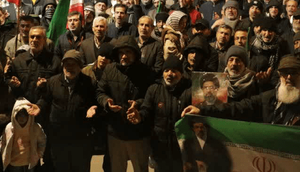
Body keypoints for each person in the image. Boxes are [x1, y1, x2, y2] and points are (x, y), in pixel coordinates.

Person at [182, 55, 300, 141]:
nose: (288, 77)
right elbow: (235, 108)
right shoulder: (266, 99)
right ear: (279, 75)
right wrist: (202, 109)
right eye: (284, 73)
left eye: (294, 73)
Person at [96, 36, 154, 172]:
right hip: (116, 133)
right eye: (121, 52)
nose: (124, 56)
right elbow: (100, 92)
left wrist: (138, 103)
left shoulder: (145, 71)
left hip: (138, 133)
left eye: (128, 52)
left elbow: (151, 96)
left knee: (140, 168)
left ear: (135, 53)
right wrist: (106, 102)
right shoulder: (110, 69)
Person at [127, 56, 191, 172]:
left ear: (181, 74)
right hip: (160, 147)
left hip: (183, 148)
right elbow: (146, 110)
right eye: (166, 70)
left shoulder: (189, 91)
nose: (169, 74)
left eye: (174, 71)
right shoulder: (154, 89)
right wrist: (139, 116)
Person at [38, 50, 97, 172]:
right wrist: (38, 106)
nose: (70, 67)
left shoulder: (89, 83)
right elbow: (45, 100)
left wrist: (93, 109)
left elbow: (95, 102)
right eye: (67, 64)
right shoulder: (53, 82)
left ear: (80, 66)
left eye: (73, 64)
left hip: (80, 137)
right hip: (58, 136)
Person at [0, 98, 47, 172]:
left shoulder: (35, 128)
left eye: (25, 115)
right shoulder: (9, 128)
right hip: (14, 163)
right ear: (15, 115)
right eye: (19, 115)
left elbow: (42, 142)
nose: (22, 118)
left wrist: (38, 155)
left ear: (29, 116)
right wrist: (4, 154)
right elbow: (3, 142)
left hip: (30, 163)